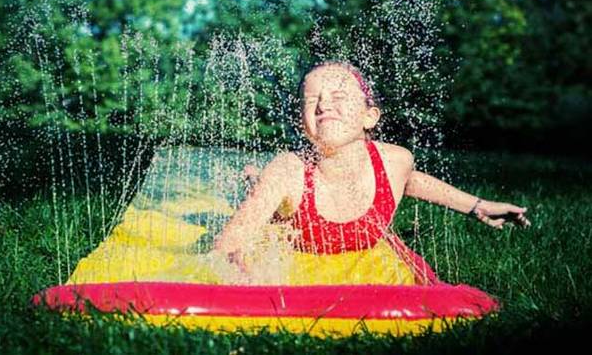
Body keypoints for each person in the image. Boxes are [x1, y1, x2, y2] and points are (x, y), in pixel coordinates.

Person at [212, 60, 531, 285]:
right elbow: (226, 246)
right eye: (312, 102)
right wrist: (246, 277)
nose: (324, 106)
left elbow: (410, 182)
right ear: (301, 122)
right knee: (265, 193)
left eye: (338, 97)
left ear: (370, 116)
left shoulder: (395, 161)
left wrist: (477, 206)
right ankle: (253, 179)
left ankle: (254, 176)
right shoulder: (287, 171)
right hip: (284, 217)